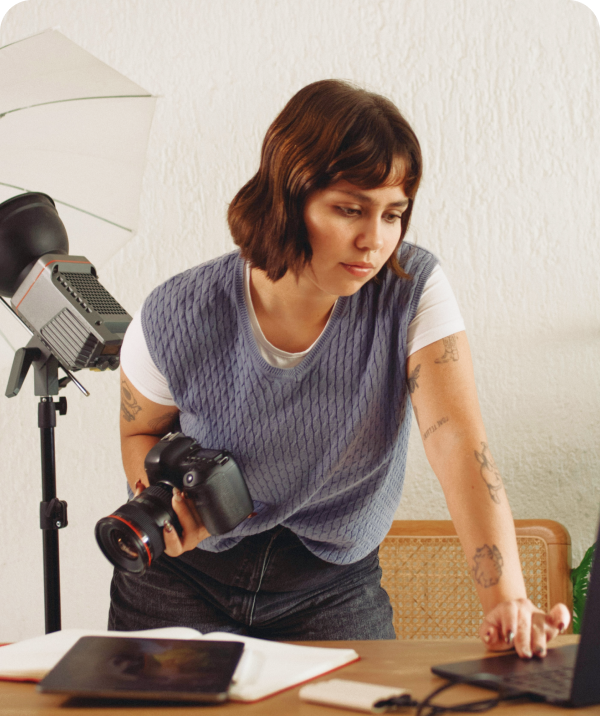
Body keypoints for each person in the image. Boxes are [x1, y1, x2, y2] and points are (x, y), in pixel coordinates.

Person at [112, 79, 570, 657]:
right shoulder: (176, 313)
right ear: (286, 197)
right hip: (181, 581)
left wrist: (505, 599)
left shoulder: (410, 290)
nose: (373, 241)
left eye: (392, 214)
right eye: (349, 209)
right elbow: (141, 430)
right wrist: (164, 503)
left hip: (330, 586)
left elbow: (456, 439)